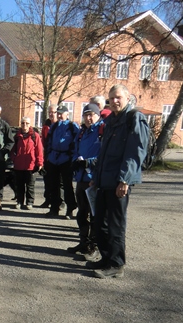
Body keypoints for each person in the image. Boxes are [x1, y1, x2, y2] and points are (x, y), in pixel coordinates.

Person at [87, 84, 149, 278]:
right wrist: (95, 178)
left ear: (127, 97)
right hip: (104, 180)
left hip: (119, 182)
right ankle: (106, 258)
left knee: (115, 225)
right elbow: (104, 154)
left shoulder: (134, 118)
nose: (114, 101)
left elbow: (135, 152)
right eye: (111, 98)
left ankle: (116, 264)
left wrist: (125, 180)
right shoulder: (112, 120)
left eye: (118, 97)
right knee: (100, 224)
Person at [68, 103, 103, 260]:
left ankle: (94, 247)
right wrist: (76, 160)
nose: (89, 118)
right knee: (82, 214)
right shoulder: (82, 132)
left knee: (96, 215)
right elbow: (75, 150)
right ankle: (83, 242)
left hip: (94, 180)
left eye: (92, 115)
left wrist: (89, 162)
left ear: (98, 115)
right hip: (81, 179)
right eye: (86, 115)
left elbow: (105, 155)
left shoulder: (103, 131)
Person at [44, 104, 79, 218]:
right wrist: (48, 155)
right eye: (57, 113)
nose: (59, 115)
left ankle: (70, 208)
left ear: (67, 114)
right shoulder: (54, 126)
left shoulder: (72, 126)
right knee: (53, 185)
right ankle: (54, 208)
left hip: (66, 159)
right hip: (54, 158)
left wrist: (72, 157)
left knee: (67, 185)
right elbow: (48, 141)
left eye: (61, 113)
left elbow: (77, 142)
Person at [10, 117, 43, 210]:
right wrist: (14, 159)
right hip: (19, 165)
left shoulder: (35, 136)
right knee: (19, 186)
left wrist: (40, 162)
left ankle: (29, 202)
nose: (25, 125)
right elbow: (12, 150)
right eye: (23, 123)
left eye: (27, 123)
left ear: (30, 124)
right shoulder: (16, 136)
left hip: (31, 165)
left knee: (30, 186)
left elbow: (39, 150)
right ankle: (19, 201)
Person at [40, 104, 59, 208]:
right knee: (47, 180)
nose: (51, 114)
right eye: (50, 112)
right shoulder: (45, 126)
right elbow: (43, 142)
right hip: (47, 157)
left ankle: (59, 202)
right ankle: (47, 200)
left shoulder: (61, 125)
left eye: (54, 112)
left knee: (57, 182)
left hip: (58, 157)